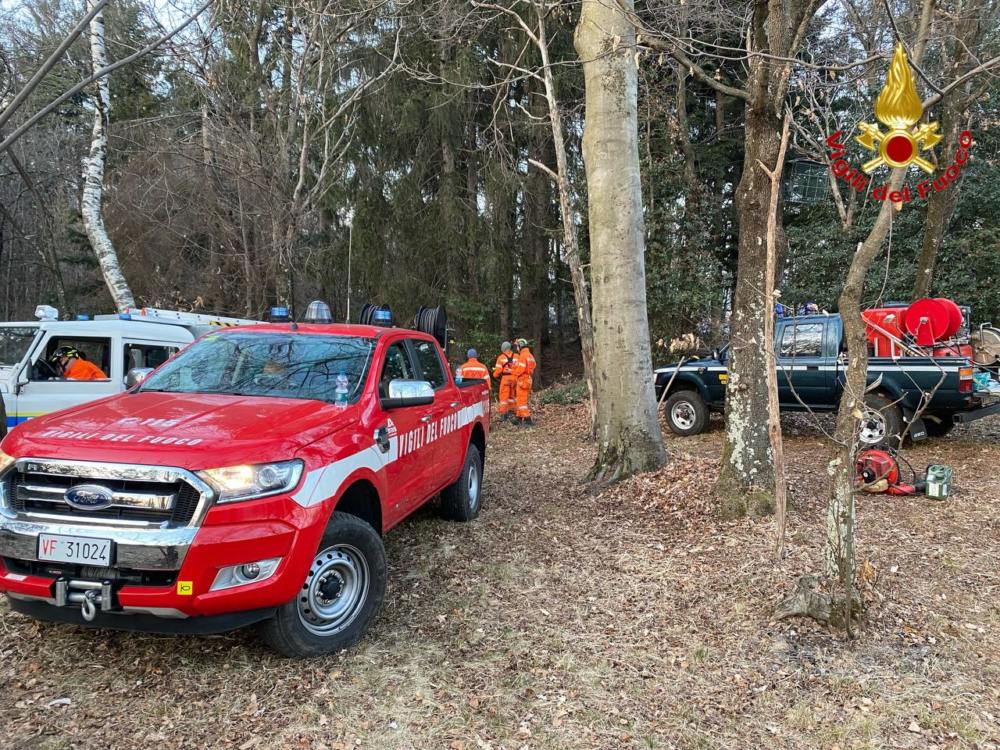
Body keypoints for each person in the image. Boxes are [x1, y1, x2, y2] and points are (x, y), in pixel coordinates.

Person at [511, 338, 536, 426]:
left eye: (517, 346)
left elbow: (520, 369)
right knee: (520, 400)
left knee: (521, 402)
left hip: (522, 380)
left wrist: (513, 372)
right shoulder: (530, 355)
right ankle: (518, 418)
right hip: (527, 379)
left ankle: (527, 419)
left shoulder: (523, 355)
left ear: (520, 346)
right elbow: (533, 365)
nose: (517, 348)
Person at [492, 341, 517, 422]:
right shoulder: (517, 356)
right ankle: (512, 412)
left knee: (503, 397)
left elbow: (498, 372)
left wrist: (494, 375)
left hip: (505, 379)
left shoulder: (501, 357)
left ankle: (504, 415)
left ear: (503, 348)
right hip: (515, 378)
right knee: (512, 396)